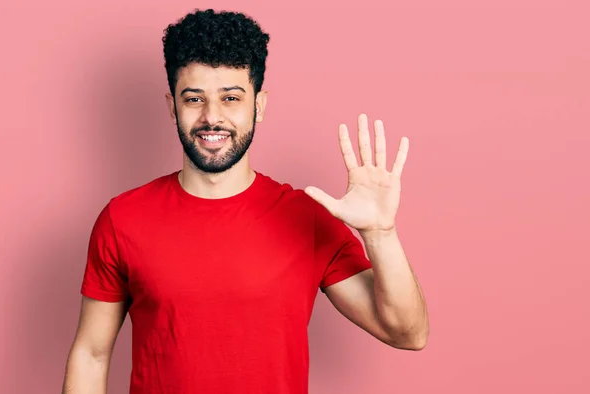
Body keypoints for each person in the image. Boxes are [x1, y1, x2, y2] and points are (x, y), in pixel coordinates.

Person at [61, 8, 428, 394]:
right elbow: (92, 354)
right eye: (194, 99)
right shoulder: (122, 219)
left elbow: (408, 333)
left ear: (260, 105)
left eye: (231, 98)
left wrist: (381, 234)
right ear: (172, 107)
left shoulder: (307, 219)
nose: (212, 117)